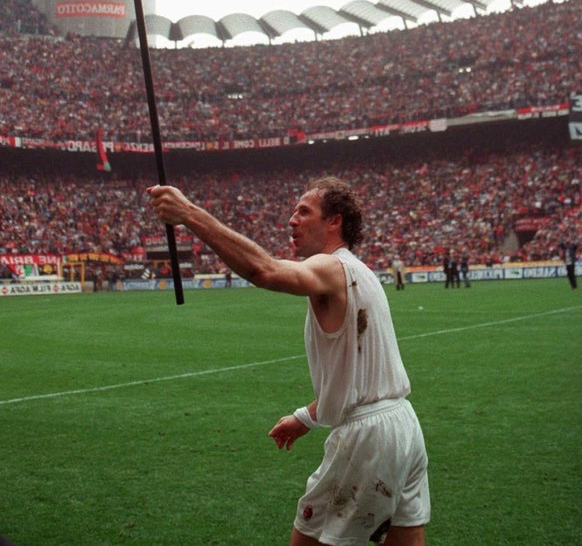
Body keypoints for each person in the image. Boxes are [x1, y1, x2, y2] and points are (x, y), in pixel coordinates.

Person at [148, 176, 430, 546]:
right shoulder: (363, 273)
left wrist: (189, 214)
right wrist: (305, 417)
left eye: (304, 211)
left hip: (367, 440)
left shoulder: (330, 268)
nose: (292, 220)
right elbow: (356, 380)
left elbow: (264, 271)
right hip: (404, 427)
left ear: (335, 222)